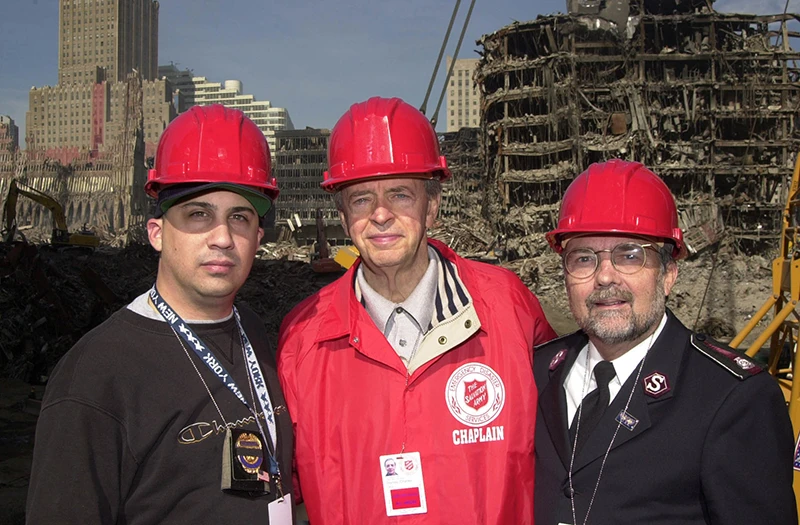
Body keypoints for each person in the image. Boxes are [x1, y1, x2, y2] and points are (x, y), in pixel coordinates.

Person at [277, 96, 557, 524]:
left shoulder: (508, 307)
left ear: (433, 206)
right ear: (343, 214)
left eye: (400, 195)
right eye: (361, 200)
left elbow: (570, 445)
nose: (381, 215)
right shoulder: (303, 337)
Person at [26, 105, 294, 524]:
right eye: (198, 214)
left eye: (239, 217)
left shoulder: (253, 332)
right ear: (156, 233)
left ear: (257, 238)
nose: (222, 237)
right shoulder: (96, 377)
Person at [534, 159, 797, 525]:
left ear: (669, 274)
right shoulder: (535, 372)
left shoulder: (730, 398)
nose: (605, 277)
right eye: (583, 258)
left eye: (630, 255)